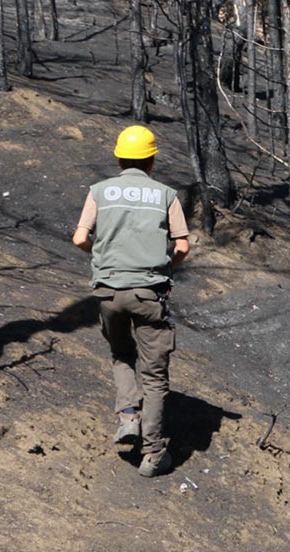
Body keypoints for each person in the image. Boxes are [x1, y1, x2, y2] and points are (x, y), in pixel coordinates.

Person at [72, 125, 189, 478]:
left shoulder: (100, 191)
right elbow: (182, 246)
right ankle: (153, 454)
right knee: (154, 377)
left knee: (121, 354)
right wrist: (165, 267)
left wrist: (102, 257)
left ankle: (127, 415)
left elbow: (79, 238)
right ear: (152, 160)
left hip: (108, 291)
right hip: (148, 293)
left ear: (119, 158)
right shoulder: (166, 195)